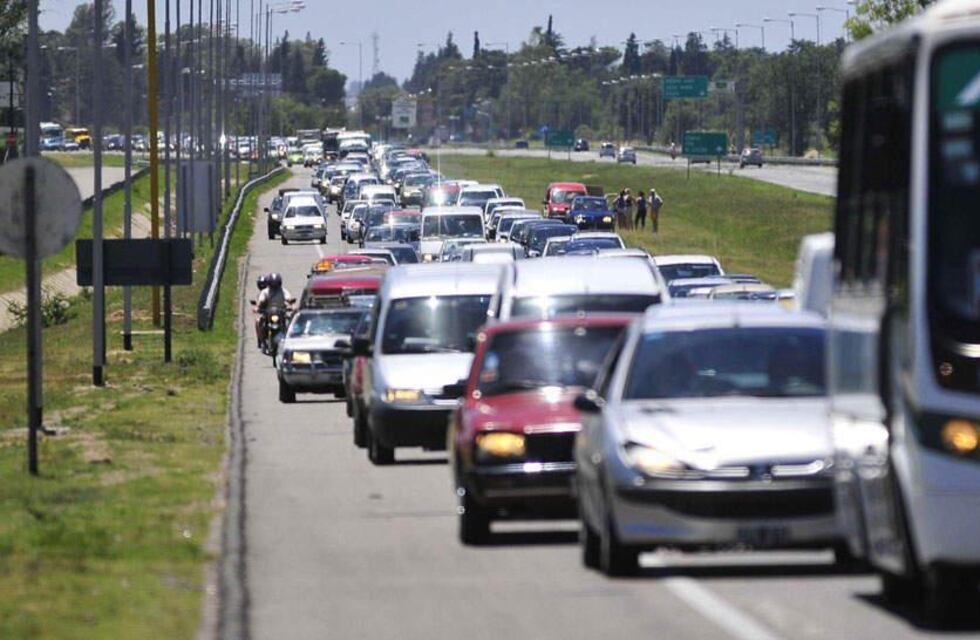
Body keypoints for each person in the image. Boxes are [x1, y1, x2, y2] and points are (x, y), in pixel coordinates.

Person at [255, 273, 294, 349]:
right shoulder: (265, 292)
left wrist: (291, 304)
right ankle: (262, 341)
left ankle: (288, 339)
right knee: (258, 322)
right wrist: (258, 307)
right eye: (272, 284)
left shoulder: (283, 291)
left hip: (281, 313)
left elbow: (289, 298)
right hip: (268, 313)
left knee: (290, 322)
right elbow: (261, 300)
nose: (274, 286)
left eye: (276, 284)